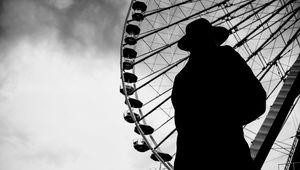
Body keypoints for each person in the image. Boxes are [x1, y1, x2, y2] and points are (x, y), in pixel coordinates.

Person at [171, 18, 266, 170]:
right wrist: (229, 122)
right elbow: (257, 98)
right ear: (211, 38)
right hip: (230, 154)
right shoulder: (226, 56)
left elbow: (182, 125)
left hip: (190, 158)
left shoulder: (181, 78)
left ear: (190, 47)